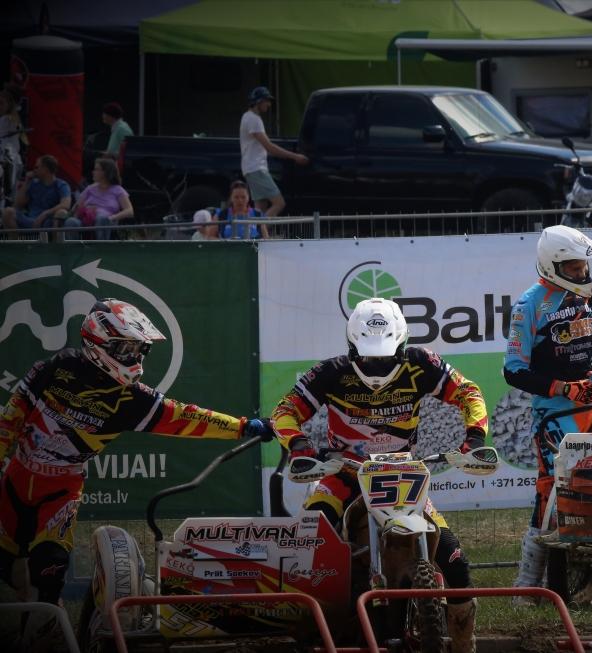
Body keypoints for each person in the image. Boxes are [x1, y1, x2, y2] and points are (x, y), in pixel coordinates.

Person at [0, 298, 274, 609]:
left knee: (49, 574)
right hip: (14, 479)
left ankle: (48, 623)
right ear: (98, 342)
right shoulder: (55, 368)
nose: (134, 357)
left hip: (62, 491)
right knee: (10, 569)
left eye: (139, 349)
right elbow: (8, 422)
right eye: (126, 348)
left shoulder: (134, 399)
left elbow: (187, 417)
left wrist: (244, 426)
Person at [271, 297, 488, 653]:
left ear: (402, 345)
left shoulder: (422, 363)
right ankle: (308, 631)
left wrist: (475, 438)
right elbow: (285, 410)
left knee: (455, 562)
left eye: (385, 358)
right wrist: (299, 446)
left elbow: (468, 392)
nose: (376, 366)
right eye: (368, 357)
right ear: (351, 346)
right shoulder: (331, 372)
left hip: (401, 476)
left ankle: (465, 645)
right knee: (308, 541)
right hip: (344, 473)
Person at [503, 225, 592, 594]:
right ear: (553, 265)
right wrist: (564, 388)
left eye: (584, 266)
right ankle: (527, 583)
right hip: (553, 414)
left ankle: (584, 579)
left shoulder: (591, 295)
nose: (582, 272)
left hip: (591, 408)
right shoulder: (529, 304)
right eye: (574, 267)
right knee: (551, 490)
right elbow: (513, 370)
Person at [239, 86, 308, 218]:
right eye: (267, 101)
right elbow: (269, 147)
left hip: (251, 169)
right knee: (279, 203)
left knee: (260, 208)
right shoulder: (254, 120)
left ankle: (257, 230)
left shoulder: (247, 117)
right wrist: (295, 156)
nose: (269, 104)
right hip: (257, 169)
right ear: (258, 101)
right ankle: (260, 229)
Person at [1, 154, 80, 240]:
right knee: (8, 212)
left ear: (45, 169)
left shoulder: (61, 185)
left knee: (61, 212)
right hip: (30, 220)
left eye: (37, 167)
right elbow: (17, 205)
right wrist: (27, 182)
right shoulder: (33, 183)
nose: (34, 170)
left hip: (49, 221)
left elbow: (65, 204)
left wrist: (44, 214)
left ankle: (55, 246)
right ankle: (16, 245)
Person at [74, 157, 133, 240]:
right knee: (72, 222)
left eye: (96, 169)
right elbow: (76, 207)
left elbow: (130, 211)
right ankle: (72, 247)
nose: (93, 172)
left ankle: (101, 246)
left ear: (105, 172)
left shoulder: (118, 190)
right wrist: (85, 209)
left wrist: (112, 217)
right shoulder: (90, 188)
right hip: (87, 219)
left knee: (101, 218)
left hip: (106, 221)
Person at [0, 84, 26, 202]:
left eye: (2, 103)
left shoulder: (8, 120)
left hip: (9, 163)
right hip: (11, 162)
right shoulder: (9, 118)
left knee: (7, 198)